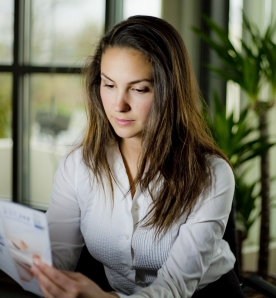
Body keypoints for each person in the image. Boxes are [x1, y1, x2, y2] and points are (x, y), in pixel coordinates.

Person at [30, 15, 244, 298]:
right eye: (109, 85)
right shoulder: (79, 165)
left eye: (139, 89)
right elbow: (54, 257)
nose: (118, 105)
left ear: (169, 92)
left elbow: (174, 287)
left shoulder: (212, 174)